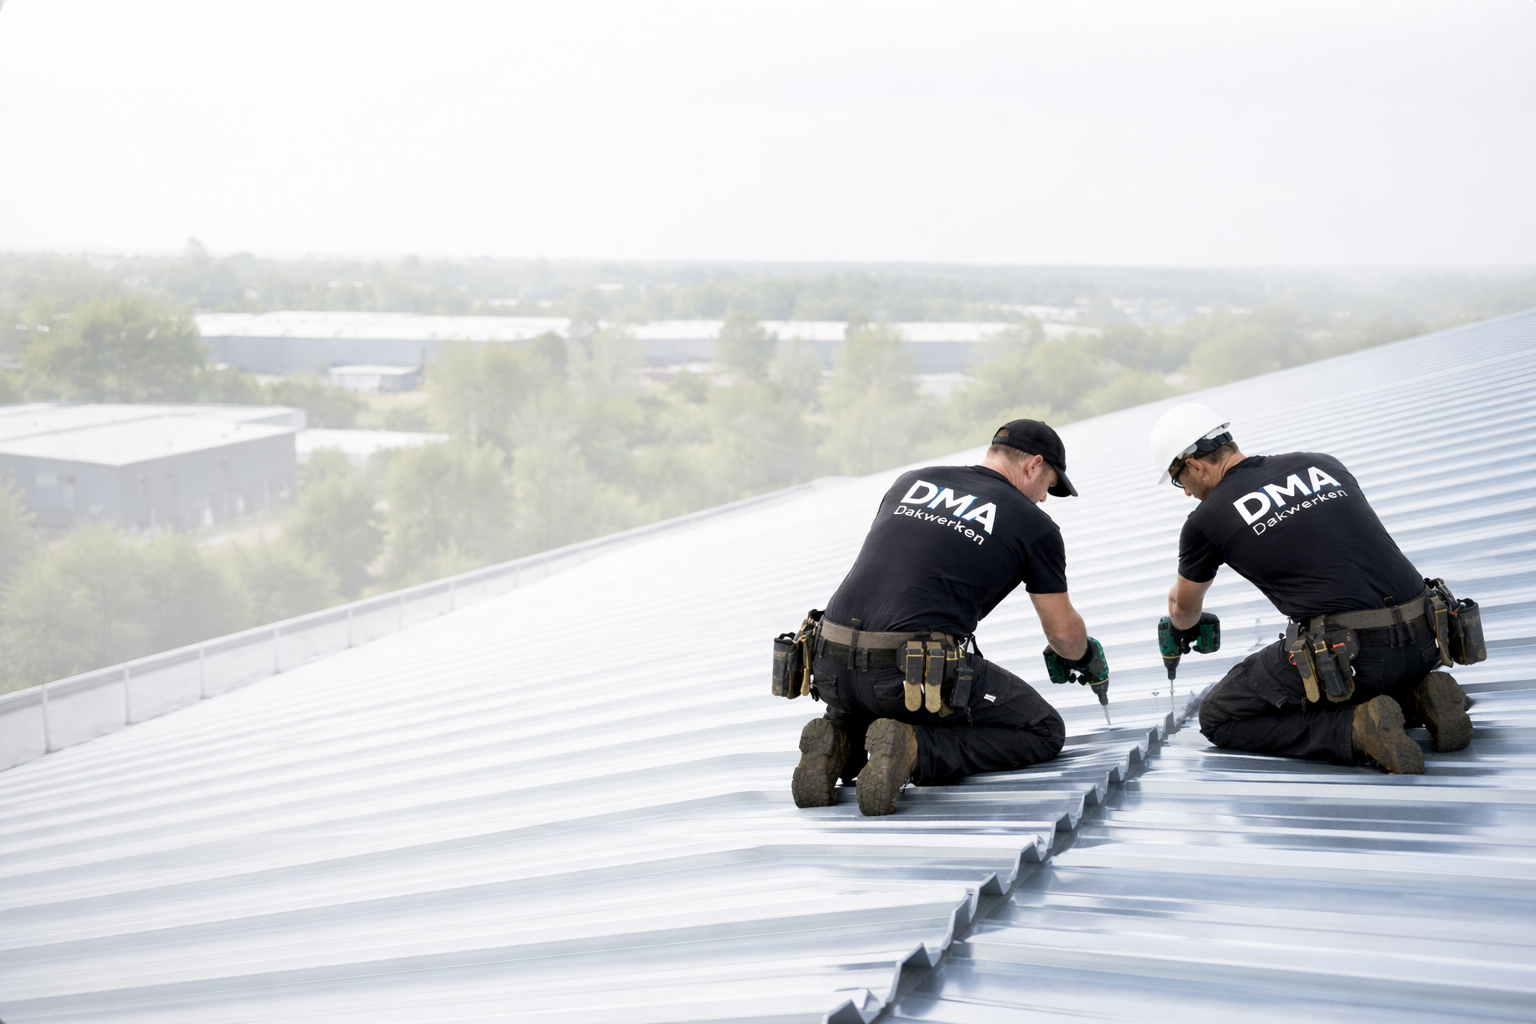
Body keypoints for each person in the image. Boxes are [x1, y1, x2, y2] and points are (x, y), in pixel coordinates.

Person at [793, 419, 1105, 816]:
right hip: (905, 673)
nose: (1044, 498)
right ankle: (916, 751)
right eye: (1048, 485)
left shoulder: (911, 481)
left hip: (830, 664)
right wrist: (1083, 658)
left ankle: (840, 743)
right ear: (1033, 465)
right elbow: (1062, 632)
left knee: (881, 696)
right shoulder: (1035, 526)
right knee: (1043, 730)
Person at [1151, 403, 1473, 775]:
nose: (1187, 494)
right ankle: (1418, 699)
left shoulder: (1205, 520)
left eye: (1179, 481)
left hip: (1355, 657)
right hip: (1427, 639)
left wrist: (1181, 628)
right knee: (1354, 659)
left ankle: (1356, 730)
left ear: (1194, 465)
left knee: (1219, 716)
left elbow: (1183, 610)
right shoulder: (1322, 463)